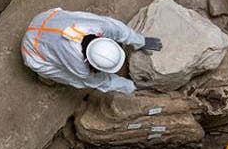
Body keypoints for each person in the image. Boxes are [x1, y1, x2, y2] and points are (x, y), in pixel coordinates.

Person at [19, 7, 159, 95]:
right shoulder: (79, 67)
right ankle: (44, 77)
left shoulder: (97, 27)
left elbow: (118, 29)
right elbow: (101, 82)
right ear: (90, 64)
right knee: (69, 78)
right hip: (32, 50)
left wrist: (140, 41)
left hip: (43, 19)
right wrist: (130, 87)